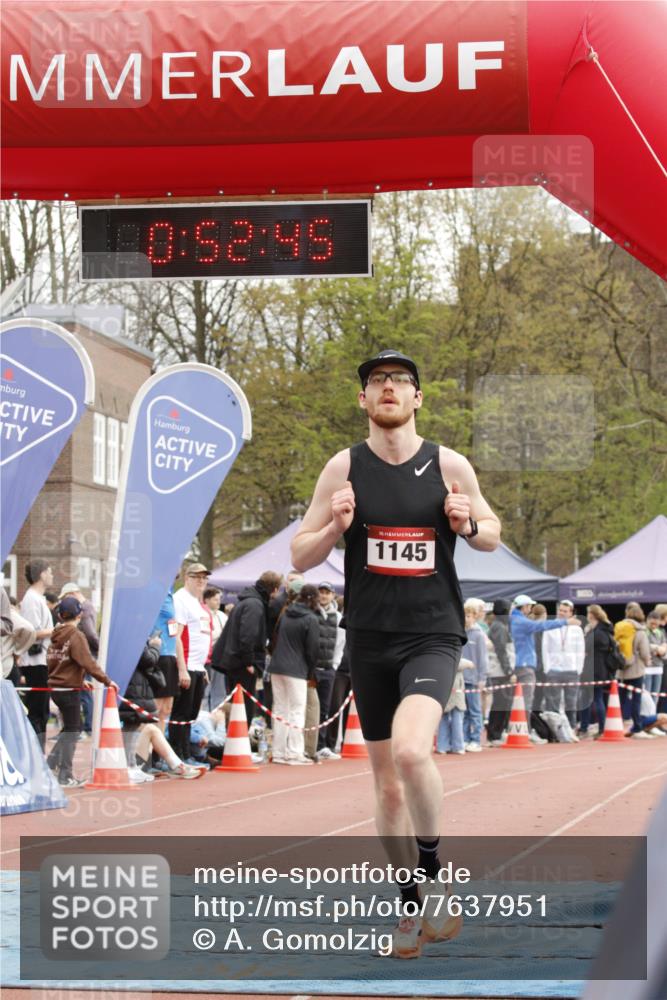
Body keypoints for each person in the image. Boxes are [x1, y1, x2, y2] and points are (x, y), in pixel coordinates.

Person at [291, 348, 501, 957]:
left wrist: (465, 523)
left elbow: (491, 535)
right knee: (385, 789)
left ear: (417, 399)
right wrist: (334, 528)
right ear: (364, 400)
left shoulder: (448, 463)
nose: (388, 388)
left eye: (400, 381)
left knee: (413, 751)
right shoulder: (343, 468)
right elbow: (300, 556)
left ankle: (434, 877)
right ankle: (409, 908)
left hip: (433, 634)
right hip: (371, 640)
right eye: (378, 381)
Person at [46, 596, 118, 786]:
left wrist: (78, 679)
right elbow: (87, 661)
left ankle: (50, 765)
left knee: (69, 729)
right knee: (73, 730)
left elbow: (59, 662)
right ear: (79, 615)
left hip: (57, 687)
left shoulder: (56, 635)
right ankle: (65, 775)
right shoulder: (76, 635)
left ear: (60, 615)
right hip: (68, 689)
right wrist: (107, 680)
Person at [119, 637, 203, 781]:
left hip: (127, 744)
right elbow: (148, 659)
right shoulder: (133, 636)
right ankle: (173, 766)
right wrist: (155, 646)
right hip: (119, 747)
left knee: (150, 728)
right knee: (146, 727)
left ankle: (176, 766)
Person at [211, 570, 283, 726]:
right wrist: (249, 662)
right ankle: (239, 743)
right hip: (241, 664)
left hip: (234, 660)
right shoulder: (255, 605)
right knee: (244, 706)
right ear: (275, 589)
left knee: (236, 704)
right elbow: (247, 635)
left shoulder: (248, 601)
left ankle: (233, 742)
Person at [510, 595, 576, 743]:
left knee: (516, 701)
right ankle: (524, 732)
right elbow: (540, 626)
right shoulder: (521, 621)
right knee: (526, 702)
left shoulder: (513, 619)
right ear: (525, 606)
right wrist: (565, 622)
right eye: (529, 606)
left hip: (517, 664)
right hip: (525, 665)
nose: (530, 609)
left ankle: (516, 730)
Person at [269, 583, 321, 765]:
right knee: (297, 711)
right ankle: (294, 753)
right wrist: (310, 670)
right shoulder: (311, 619)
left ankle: (278, 752)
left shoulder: (286, 614)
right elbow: (312, 650)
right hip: (297, 669)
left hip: (277, 666)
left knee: (280, 709)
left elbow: (274, 638)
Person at [171, 564, 214, 764]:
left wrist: (202, 666)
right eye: (197, 577)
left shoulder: (198, 603)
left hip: (197, 666)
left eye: (204, 578)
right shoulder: (181, 600)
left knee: (191, 714)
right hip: (186, 665)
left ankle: (187, 753)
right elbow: (177, 636)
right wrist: (182, 668)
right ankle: (178, 755)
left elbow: (201, 637)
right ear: (187, 578)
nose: (201, 581)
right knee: (181, 713)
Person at [18, 559, 54, 748]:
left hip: (42, 660)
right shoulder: (31, 599)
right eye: (50, 571)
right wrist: (56, 630)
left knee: (42, 711)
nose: (52, 575)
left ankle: (37, 755)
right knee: (38, 712)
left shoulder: (38, 598)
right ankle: (35, 756)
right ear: (41, 574)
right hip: (35, 661)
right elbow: (31, 632)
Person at [57, 581, 100, 739]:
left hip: (83, 655)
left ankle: (88, 727)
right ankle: (86, 727)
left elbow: (90, 633)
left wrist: (99, 648)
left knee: (85, 693)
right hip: (84, 653)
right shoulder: (87, 607)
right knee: (84, 691)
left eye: (66, 597)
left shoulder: (84, 609)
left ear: (73, 593)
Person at [542, 600, 585, 729]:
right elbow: (545, 648)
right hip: (554, 669)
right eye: (560, 610)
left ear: (571, 613)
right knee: (553, 701)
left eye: (565, 611)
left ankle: (571, 728)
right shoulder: (550, 626)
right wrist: (547, 668)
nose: (561, 613)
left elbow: (580, 650)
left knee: (571, 702)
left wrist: (578, 669)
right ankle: (555, 729)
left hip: (571, 669)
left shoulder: (576, 629)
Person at [314, 582, 345, 760]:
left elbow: (341, 643)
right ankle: (309, 743)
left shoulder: (338, 617)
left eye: (327, 593)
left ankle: (322, 745)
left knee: (324, 708)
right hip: (312, 669)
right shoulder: (313, 612)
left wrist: (334, 664)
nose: (324, 596)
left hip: (328, 669)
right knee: (309, 708)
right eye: (321, 592)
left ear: (333, 595)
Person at [149, 587, 183, 733]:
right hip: (157, 654)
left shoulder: (170, 593)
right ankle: (146, 752)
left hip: (170, 656)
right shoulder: (155, 588)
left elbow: (175, 634)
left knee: (166, 709)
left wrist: (182, 667)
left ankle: (158, 752)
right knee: (154, 710)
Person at [579, 604, 615, 738]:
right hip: (601, 669)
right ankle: (599, 728)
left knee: (590, 699)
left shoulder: (597, 633)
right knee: (596, 698)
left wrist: (587, 633)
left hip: (593, 669)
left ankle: (587, 728)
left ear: (591, 615)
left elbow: (586, 647)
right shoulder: (606, 630)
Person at [615, 603, 650, 737]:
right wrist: (647, 662)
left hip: (622, 670)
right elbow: (645, 652)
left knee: (621, 699)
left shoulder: (619, 628)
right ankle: (637, 728)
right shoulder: (640, 632)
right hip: (636, 670)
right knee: (636, 699)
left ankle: (619, 724)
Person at [485, 599, 515, 746]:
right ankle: (495, 734)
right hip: (500, 672)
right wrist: (509, 671)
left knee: (501, 703)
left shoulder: (498, 626)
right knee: (501, 703)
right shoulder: (499, 627)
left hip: (499, 671)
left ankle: (496, 733)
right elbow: (501, 650)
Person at [461, 600, 488, 752]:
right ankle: (464, 738)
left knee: (475, 711)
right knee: (463, 711)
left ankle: (476, 739)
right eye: (464, 615)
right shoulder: (460, 633)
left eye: (469, 616)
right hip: (461, 679)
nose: (467, 618)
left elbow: (482, 658)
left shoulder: (478, 635)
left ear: (474, 617)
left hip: (473, 679)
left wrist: (482, 678)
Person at [435, 656, 468, 755]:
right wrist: (468, 664)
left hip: (444, 690)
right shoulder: (451, 654)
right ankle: (457, 746)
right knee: (457, 720)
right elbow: (462, 664)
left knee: (444, 720)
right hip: (454, 693)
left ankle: (442, 746)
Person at [203, 586, 228, 711]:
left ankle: (217, 715)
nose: (218, 602)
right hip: (206, 657)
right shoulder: (202, 615)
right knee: (205, 689)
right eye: (215, 600)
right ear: (206, 600)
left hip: (221, 657)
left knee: (219, 689)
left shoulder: (222, 616)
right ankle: (203, 716)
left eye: (219, 599)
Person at [645, 611, 667, 709]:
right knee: (647, 695)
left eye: (656, 624)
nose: (654, 626)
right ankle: (647, 717)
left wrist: (660, 650)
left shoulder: (661, 632)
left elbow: (664, 646)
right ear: (647, 621)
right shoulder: (644, 631)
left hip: (659, 667)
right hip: (647, 668)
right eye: (652, 623)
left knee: (656, 695)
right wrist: (657, 648)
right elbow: (644, 646)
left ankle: (653, 717)